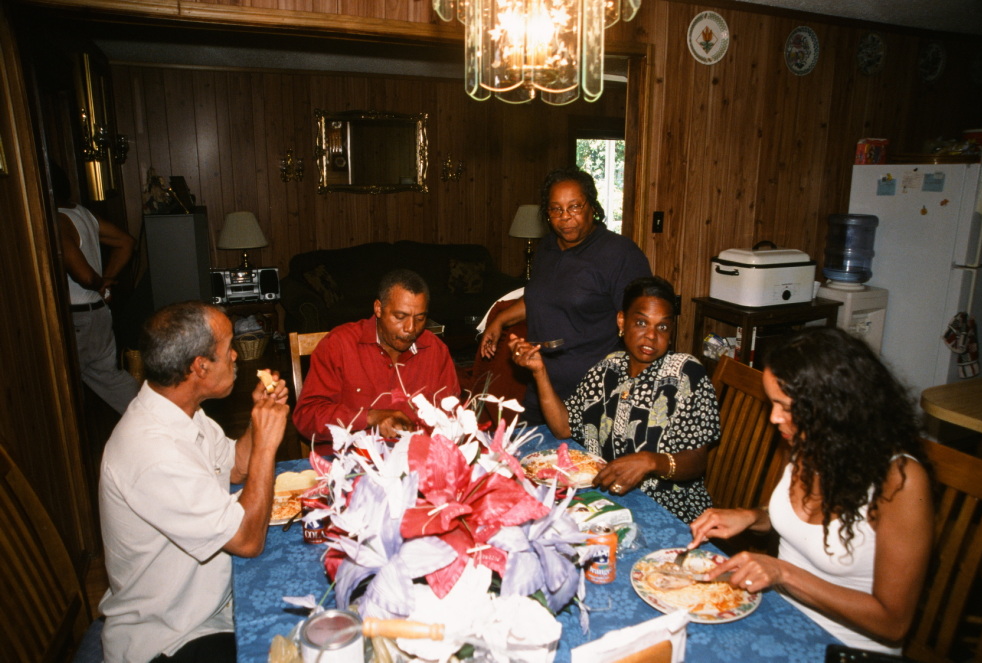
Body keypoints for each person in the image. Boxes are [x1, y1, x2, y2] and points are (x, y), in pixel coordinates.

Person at [687, 327, 933, 654]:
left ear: (831, 406)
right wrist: (753, 516)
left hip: (844, 650)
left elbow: (893, 623)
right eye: (772, 403)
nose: (774, 418)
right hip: (780, 619)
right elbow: (801, 523)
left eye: (785, 406)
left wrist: (784, 574)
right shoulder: (809, 441)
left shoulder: (900, 481)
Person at [99, 301, 290, 663]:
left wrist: (257, 420)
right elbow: (248, 541)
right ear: (200, 366)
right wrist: (266, 445)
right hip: (170, 636)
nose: (235, 355)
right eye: (228, 347)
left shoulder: (182, 413)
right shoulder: (153, 452)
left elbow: (235, 468)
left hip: (211, 605)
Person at [510, 276, 719, 524]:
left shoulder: (685, 374)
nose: (651, 336)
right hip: (609, 500)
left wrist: (652, 461)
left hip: (671, 510)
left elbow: (697, 461)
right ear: (622, 321)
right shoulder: (608, 368)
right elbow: (563, 427)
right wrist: (539, 372)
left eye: (662, 327)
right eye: (641, 322)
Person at [479, 166, 651, 423]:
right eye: (555, 209)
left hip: (594, 394)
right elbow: (541, 297)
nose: (565, 217)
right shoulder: (547, 247)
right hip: (542, 387)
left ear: (592, 206)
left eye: (575, 207)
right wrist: (500, 321)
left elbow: (641, 322)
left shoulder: (620, 254)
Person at [293, 268, 461, 442]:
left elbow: (453, 418)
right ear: (378, 308)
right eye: (400, 316)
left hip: (418, 454)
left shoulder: (435, 350)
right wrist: (369, 418)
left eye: (420, 319)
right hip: (351, 455)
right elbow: (307, 417)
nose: (411, 328)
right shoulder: (339, 345)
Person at [53, 163, 139, 414]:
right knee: (110, 377)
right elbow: (126, 242)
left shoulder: (57, 221)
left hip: (78, 316)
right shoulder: (81, 213)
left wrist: (100, 282)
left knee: (61, 385)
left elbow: (84, 276)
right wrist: (107, 279)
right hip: (97, 312)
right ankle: (159, 419)